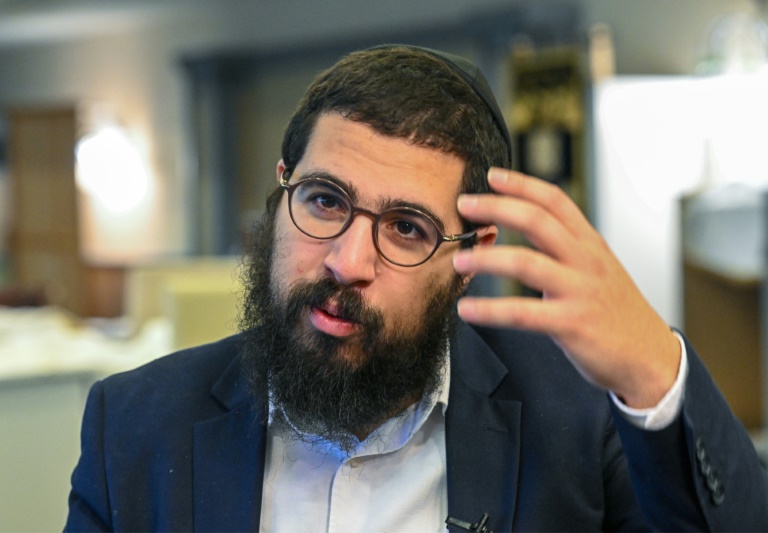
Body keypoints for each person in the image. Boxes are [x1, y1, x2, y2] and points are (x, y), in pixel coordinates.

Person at [65, 45, 767, 532]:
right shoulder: (134, 424)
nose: (346, 261)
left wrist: (655, 374)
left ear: (474, 251)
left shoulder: (578, 421)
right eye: (324, 200)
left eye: (406, 228)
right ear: (282, 189)